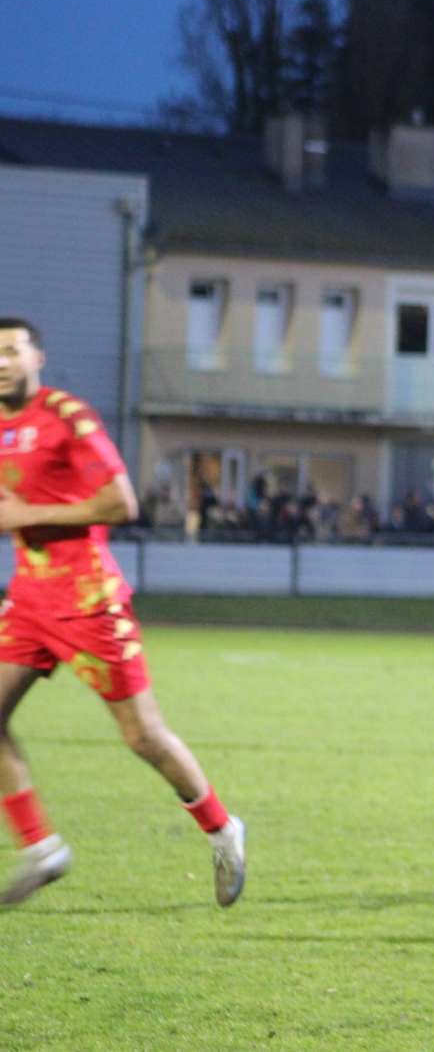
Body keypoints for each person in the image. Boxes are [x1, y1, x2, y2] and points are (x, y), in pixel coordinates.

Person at [0, 318, 245, 907]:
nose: (1, 363)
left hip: (89, 600)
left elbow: (120, 503)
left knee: (142, 736)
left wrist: (28, 515)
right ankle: (42, 849)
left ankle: (222, 828)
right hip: (29, 600)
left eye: (11, 351)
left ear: (37, 357)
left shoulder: (67, 417)